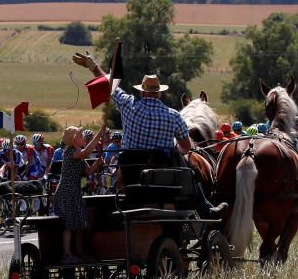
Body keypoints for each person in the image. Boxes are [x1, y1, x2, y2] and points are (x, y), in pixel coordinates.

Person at [73, 52, 228, 220]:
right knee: (189, 169)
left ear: (142, 92)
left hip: (130, 176)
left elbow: (108, 85)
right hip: (163, 180)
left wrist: (93, 66)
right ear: (159, 93)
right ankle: (205, 210)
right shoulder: (174, 115)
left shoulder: (128, 104)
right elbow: (186, 148)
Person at [52, 125, 107, 264]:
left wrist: (96, 164)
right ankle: (67, 254)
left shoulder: (78, 154)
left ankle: (79, 252)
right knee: (69, 224)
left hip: (74, 191)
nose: (83, 138)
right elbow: (87, 151)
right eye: (81, 136)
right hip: (66, 191)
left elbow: (87, 173)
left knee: (80, 223)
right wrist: (99, 134)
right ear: (74, 139)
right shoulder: (70, 152)